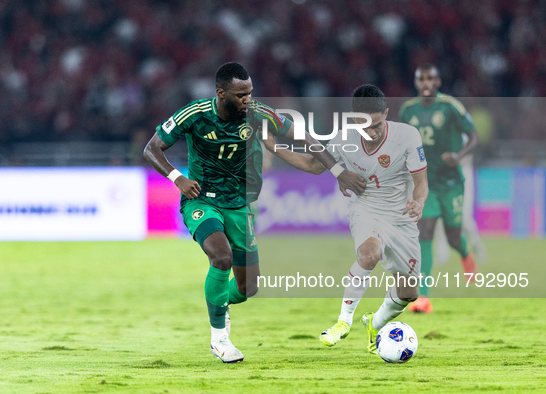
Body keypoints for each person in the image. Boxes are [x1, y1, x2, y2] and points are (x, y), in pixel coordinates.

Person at [143, 62, 366, 363]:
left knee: (249, 287)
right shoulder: (195, 114)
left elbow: (305, 139)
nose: (247, 99)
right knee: (220, 257)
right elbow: (152, 148)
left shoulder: (258, 113)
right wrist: (177, 178)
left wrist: (339, 172)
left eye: (250, 93)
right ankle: (220, 338)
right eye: (240, 95)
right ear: (221, 93)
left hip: (240, 205)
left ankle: (222, 303)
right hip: (203, 201)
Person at [264, 84, 429, 354]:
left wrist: (419, 202)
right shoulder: (343, 139)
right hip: (366, 208)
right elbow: (313, 164)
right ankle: (343, 321)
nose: (372, 132)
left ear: (386, 113)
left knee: (409, 292)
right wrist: (275, 148)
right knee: (369, 253)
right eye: (366, 126)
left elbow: (421, 183)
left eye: (377, 125)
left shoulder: (408, 137)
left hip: (401, 216)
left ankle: (374, 323)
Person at [399, 63, 480, 313]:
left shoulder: (450, 107)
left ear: (438, 82)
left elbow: (474, 137)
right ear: (416, 83)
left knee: (454, 237)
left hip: (452, 183)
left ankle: (465, 254)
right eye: (421, 79)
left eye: (430, 79)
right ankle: (423, 298)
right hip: (425, 184)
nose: (426, 83)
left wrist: (458, 155)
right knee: (425, 234)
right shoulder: (407, 111)